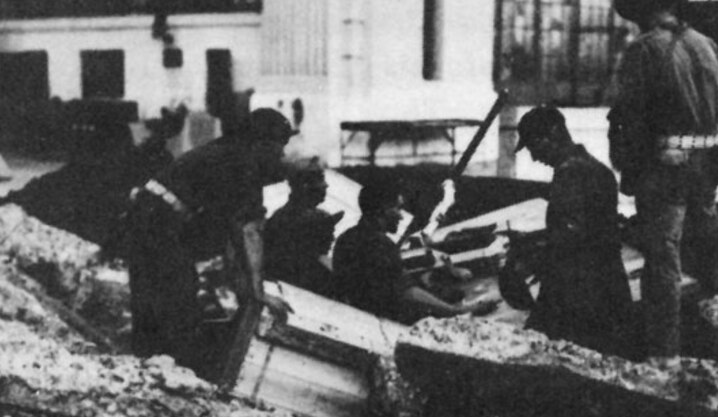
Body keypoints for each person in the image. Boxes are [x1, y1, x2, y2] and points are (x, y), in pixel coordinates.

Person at [609, 0, 718, 365]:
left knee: (663, 260)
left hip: (665, 167)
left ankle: (664, 354)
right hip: (707, 164)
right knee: (707, 250)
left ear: (645, 11)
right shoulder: (708, 46)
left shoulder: (644, 50)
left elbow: (631, 117)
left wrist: (629, 167)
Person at [120, 107, 295, 373]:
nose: (281, 155)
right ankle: (168, 367)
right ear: (261, 142)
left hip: (147, 216)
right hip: (158, 222)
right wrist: (257, 293)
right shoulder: (244, 164)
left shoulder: (228, 151)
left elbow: (232, 237)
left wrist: (245, 287)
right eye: (279, 146)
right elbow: (248, 232)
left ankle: (148, 361)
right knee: (177, 298)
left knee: (153, 295)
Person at [499, 105, 636, 357]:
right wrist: (534, 239)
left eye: (534, 146)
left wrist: (527, 257)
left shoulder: (570, 173)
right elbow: (587, 228)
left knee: (540, 353)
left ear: (552, 135)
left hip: (581, 292)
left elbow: (571, 239)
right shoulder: (596, 167)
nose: (534, 157)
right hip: (608, 286)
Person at [332, 180, 497, 324]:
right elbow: (408, 293)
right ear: (382, 210)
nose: (401, 216)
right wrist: (457, 311)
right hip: (384, 321)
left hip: (355, 316)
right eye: (398, 208)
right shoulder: (380, 244)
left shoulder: (345, 239)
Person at [264, 163, 343, 299]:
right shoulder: (312, 219)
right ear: (305, 186)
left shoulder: (280, 216)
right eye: (320, 179)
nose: (326, 185)